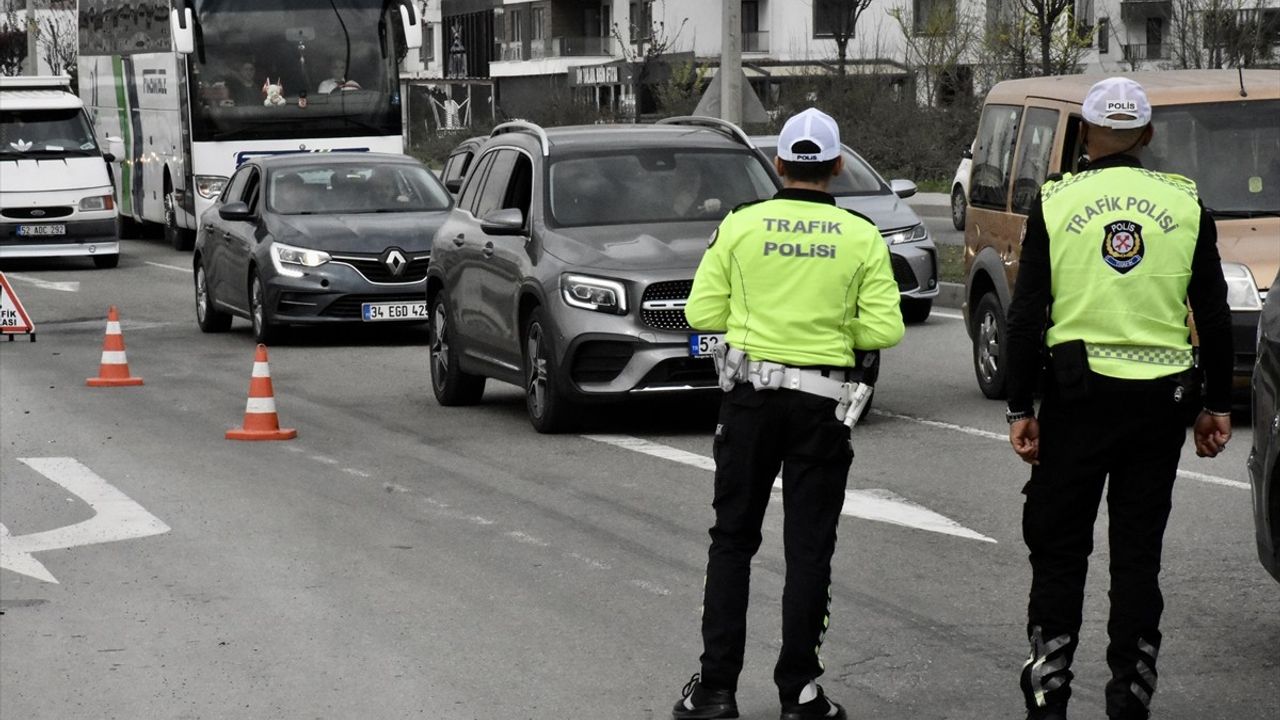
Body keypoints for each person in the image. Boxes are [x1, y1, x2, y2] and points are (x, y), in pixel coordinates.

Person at [1004, 77, 1233, 720]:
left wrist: (1021, 408)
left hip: (1076, 402)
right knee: (1138, 555)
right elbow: (1212, 317)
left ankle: (1050, 693)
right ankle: (1131, 695)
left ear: (1085, 131)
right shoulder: (1186, 204)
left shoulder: (1056, 201)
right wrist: (1216, 404)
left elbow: (1026, 316)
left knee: (1059, 549)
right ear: (1149, 134)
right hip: (1159, 407)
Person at [672, 108, 904, 720]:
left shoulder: (742, 226)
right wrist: (834, 324)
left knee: (732, 541)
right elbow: (884, 327)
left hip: (749, 400)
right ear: (834, 166)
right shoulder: (859, 235)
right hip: (822, 406)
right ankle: (800, 692)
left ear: (779, 166)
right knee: (808, 551)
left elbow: (701, 313)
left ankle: (716, 691)